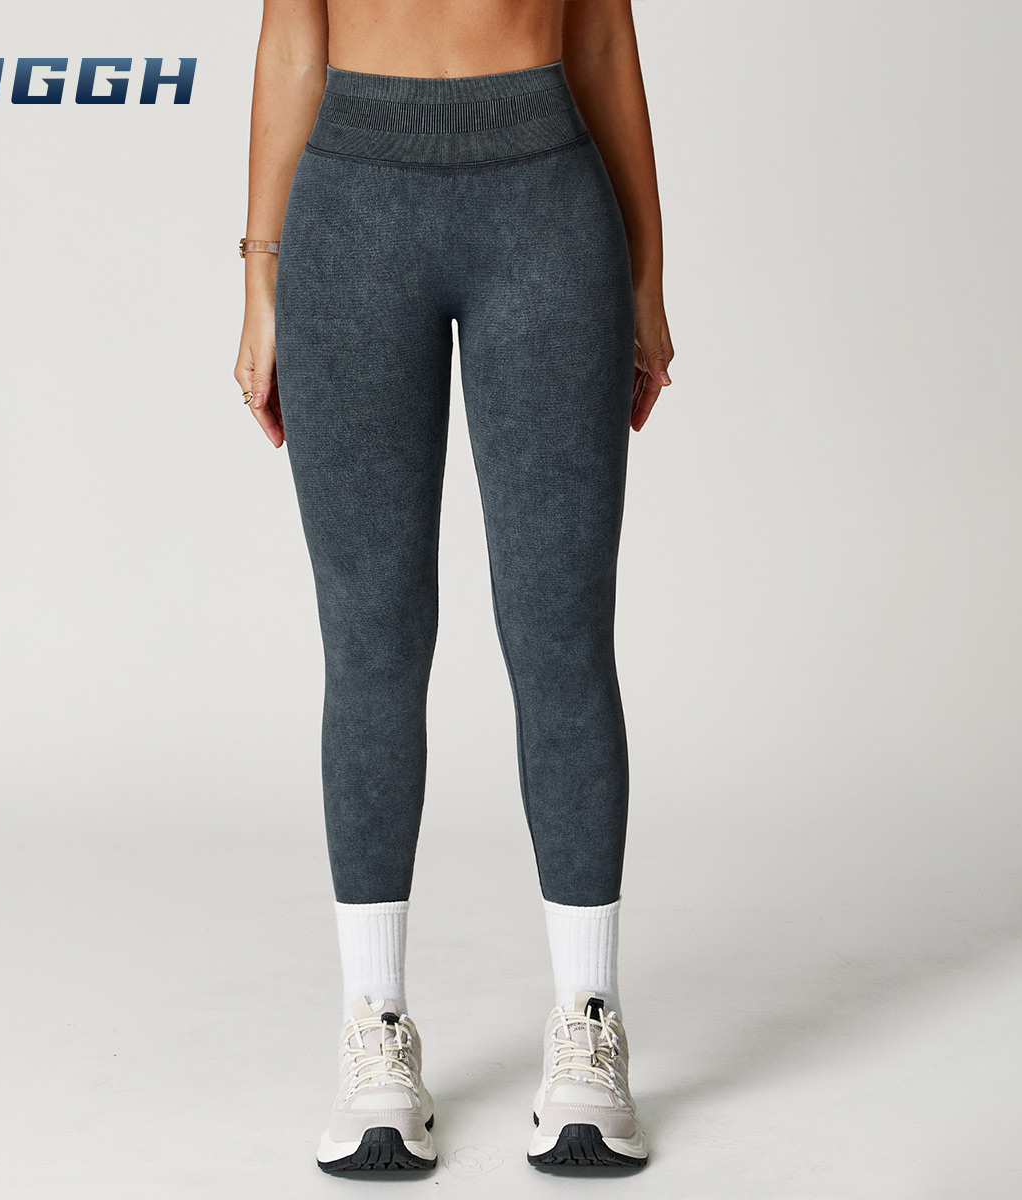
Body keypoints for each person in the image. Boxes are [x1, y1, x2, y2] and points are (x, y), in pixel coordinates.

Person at [233, 0, 674, 1174]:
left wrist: (646, 275)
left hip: (547, 208)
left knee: (560, 629)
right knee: (371, 639)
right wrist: (260, 278)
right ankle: (374, 1030)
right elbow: (292, 42)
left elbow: (601, 40)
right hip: (349, 217)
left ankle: (588, 1026)